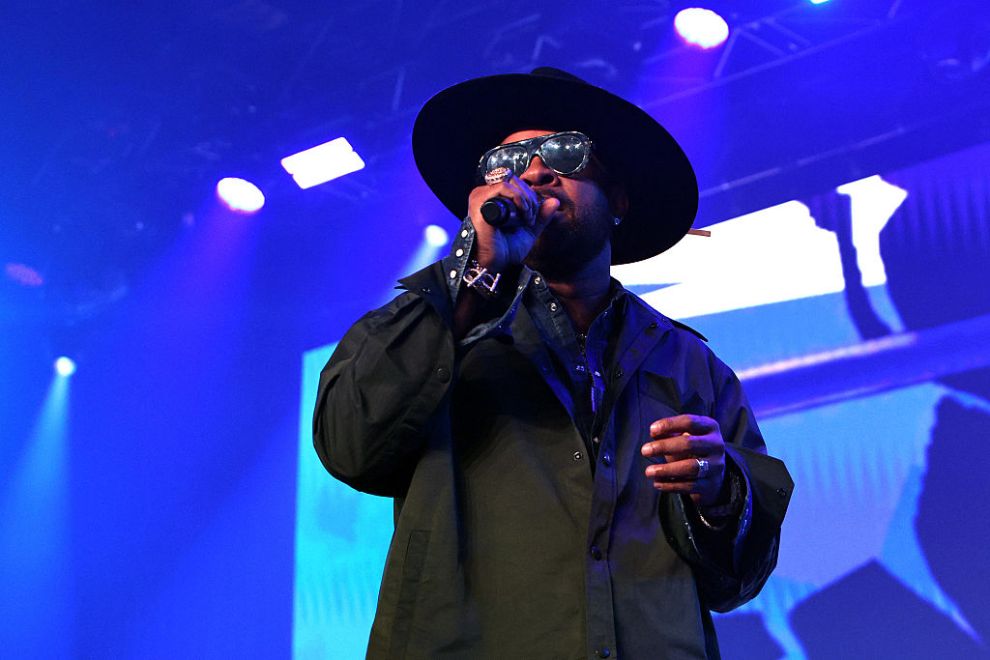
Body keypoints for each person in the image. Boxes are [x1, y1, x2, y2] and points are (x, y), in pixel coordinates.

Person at [313, 67, 792, 659]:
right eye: (508, 159)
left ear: (617, 201)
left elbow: (738, 581)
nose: (534, 171)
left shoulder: (693, 366)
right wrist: (475, 276)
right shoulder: (437, 325)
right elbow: (347, 445)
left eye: (564, 154)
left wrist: (719, 495)